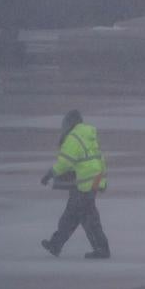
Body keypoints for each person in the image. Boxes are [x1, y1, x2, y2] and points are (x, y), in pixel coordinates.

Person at [40, 109, 110, 259]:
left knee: (77, 216)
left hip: (84, 183)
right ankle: (57, 244)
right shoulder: (87, 137)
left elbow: (65, 162)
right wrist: (101, 183)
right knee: (82, 216)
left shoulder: (73, 137)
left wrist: (49, 174)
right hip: (93, 180)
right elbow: (97, 160)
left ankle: (100, 249)